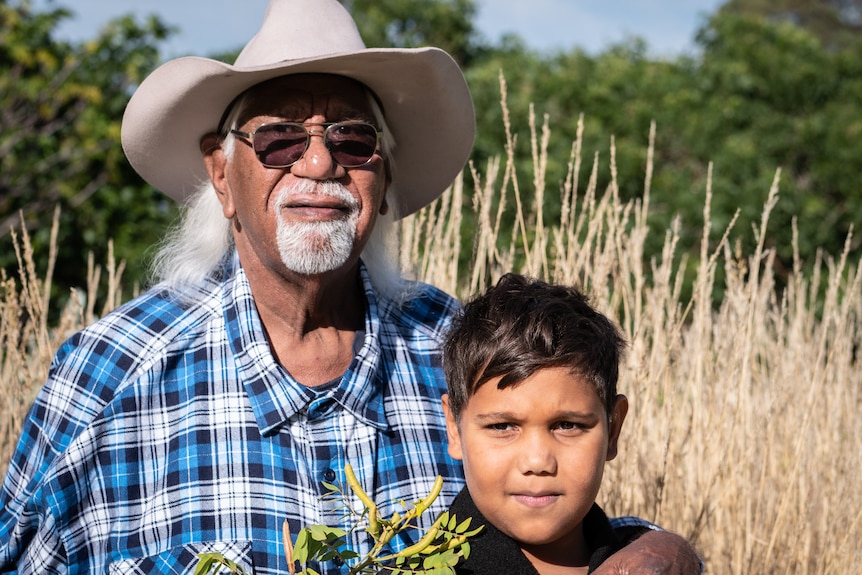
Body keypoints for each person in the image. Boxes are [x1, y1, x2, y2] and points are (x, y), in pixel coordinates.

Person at [0, 1, 699, 574]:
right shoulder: (111, 374)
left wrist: (660, 549)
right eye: (277, 139)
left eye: (353, 141)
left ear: (383, 178)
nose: (318, 161)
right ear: (221, 173)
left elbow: (558, 517)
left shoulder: (455, 345)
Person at [443, 273, 681, 574]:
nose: (537, 461)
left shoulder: (654, 562)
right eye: (502, 427)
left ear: (613, 428)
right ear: (455, 427)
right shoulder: (417, 569)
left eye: (567, 425)